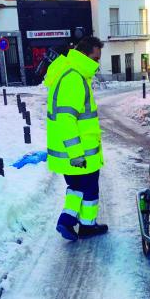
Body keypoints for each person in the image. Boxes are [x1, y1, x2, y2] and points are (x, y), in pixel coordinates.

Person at [44, 36, 108, 242]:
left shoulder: (69, 72)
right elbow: (66, 119)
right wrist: (76, 154)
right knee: (88, 190)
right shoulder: (74, 78)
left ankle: (69, 221)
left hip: (71, 153)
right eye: (96, 58)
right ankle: (80, 224)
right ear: (84, 55)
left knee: (77, 188)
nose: (98, 64)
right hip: (80, 153)